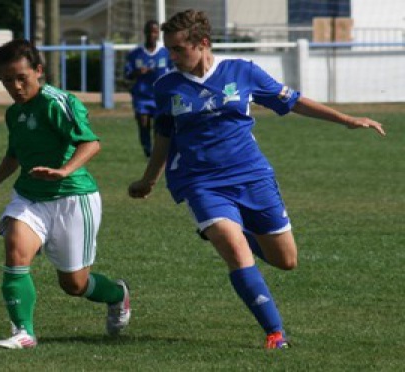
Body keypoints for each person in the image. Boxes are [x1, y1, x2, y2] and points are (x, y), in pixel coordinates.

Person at [128, 9, 385, 349]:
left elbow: (293, 101)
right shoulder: (167, 87)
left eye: (177, 49)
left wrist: (345, 119)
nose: (171, 56)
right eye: (169, 49)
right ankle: (275, 333)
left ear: (202, 43)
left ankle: (231, 232)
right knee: (232, 247)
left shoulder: (242, 72)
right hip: (199, 181)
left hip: (252, 176)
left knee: (285, 260)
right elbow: (164, 135)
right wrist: (149, 179)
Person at [0, 39, 131, 350]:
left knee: (74, 284)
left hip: (73, 197)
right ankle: (24, 332)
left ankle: (118, 295)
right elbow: (15, 153)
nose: (16, 86)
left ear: (39, 71)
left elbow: (91, 143)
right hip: (30, 197)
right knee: (16, 249)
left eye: (22, 77)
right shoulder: (14, 113)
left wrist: (64, 170)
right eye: (8, 80)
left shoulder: (57, 102)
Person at [124, 20, 173, 157]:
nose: (152, 34)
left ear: (158, 34)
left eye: (155, 32)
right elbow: (127, 75)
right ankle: (147, 150)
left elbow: (174, 70)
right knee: (143, 123)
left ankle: (158, 152)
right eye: (149, 31)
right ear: (144, 32)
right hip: (141, 96)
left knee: (160, 126)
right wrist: (138, 72)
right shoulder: (135, 53)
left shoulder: (165, 52)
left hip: (160, 96)